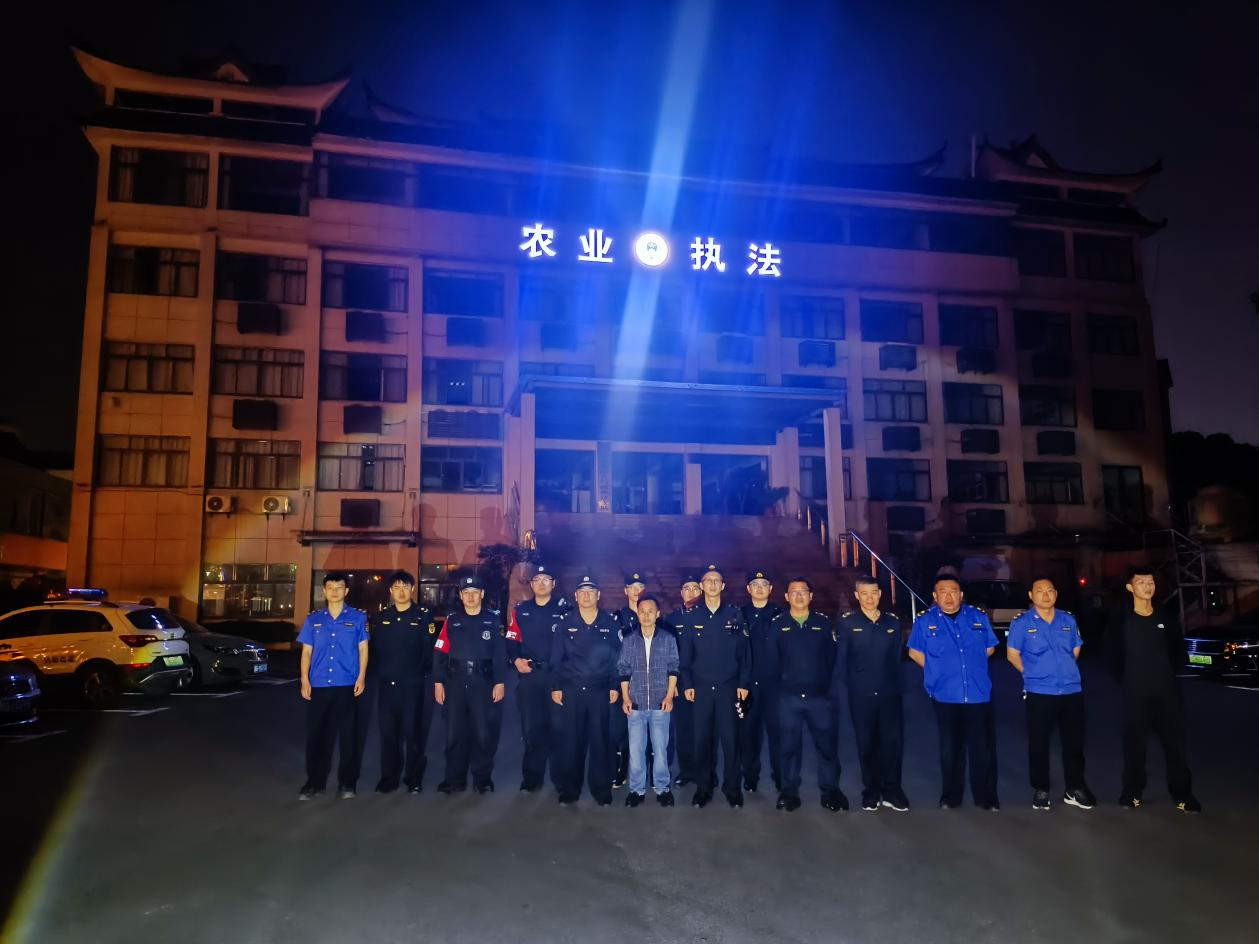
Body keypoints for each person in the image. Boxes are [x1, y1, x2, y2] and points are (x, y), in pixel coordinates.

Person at [1103, 566, 1200, 812]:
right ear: (1130, 587)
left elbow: (1177, 651)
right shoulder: (1121, 619)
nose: (1148, 587)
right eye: (1142, 582)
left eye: (1151, 582)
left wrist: (1167, 674)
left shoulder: (1165, 616)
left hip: (1167, 694)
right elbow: (1110, 654)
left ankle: (1182, 795)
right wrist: (1126, 679)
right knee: (1135, 749)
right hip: (1135, 694)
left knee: (1176, 748)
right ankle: (1132, 794)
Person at [907, 574, 1000, 811]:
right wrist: (937, 671)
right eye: (943, 592)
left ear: (961, 594)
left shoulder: (978, 617)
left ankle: (986, 797)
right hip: (945, 694)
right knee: (950, 748)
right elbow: (915, 653)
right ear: (935, 596)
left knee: (982, 748)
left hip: (978, 693)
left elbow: (989, 648)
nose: (948, 597)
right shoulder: (925, 621)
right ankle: (950, 796)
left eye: (953, 591)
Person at [1007, 576, 1096, 812]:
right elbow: (1012, 654)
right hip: (1039, 692)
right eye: (1040, 591)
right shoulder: (1022, 623)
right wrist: (1033, 674)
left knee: (1074, 744)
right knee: (1039, 743)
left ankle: (1074, 788)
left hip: (1071, 691)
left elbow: (1075, 649)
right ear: (1031, 595)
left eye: (1049, 590)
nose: (1045, 595)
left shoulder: (1068, 620)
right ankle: (1041, 788)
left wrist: (1063, 671)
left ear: (1056, 594)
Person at [678, 564, 750, 808]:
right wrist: (687, 683)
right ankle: (703, 788)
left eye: (716, 580)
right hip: (701, 689)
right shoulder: (692, 616)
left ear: (723, 585)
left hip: (728, 688)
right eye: (707, 580)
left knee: (731, 741)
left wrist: (743, 683)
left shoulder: (735, 614)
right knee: (702, 742)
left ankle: (732, 789)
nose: (712, 584)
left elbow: (745, 654)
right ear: (701, 586)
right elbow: (685, 655)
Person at [836, 575, 909, 812]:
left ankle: (892, 791)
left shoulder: (892, 623)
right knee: (866, 744)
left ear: (880, 594)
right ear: (857, 596)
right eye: (864, 593)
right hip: (861, 695)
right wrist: (851, 689)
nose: (869, 598)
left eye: (874, 593)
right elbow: (842, 662)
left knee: (892, 744)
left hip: (889, 694)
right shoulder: (848, 624)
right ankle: (871, 791)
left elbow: (896, 659)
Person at [773, 578, 846, 812]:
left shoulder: (823, 624)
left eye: (803, 591)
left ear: (811, 596)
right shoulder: (778, 625)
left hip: (819, 698)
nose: (799, 596)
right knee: (788, 748)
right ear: (786, 597)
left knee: (827, 748)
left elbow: (831, 658)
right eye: (793, 592)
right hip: (789, 698)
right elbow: (772, 661)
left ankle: (830, 791)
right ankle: (789, 793)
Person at [432, 574, 507, 795]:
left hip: (483, 683)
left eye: (475, 593)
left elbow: (500, 654)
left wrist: (500, 682)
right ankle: (454, 779)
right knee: (454, 733)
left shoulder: (493, 620)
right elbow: (440, 652)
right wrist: (438, 682)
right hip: (455, 683)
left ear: (482, 594)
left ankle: (482, 779)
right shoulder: (452, 621)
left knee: (483, 733)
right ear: (461, 596)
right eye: (466, 593)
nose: (471, 597)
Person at [550, 574, 621, 806]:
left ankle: (601, 790)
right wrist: (556, 686)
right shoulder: (565, 623)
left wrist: (614, 685)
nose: (587, 595)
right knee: (571, 743)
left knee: (601, 742)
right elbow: (556, 658)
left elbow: (617, 658)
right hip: (572, 691)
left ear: (598, 595)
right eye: (583, 592)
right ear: (576, 596)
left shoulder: (610, 623)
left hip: (600, 691)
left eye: (591, 592)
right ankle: (570, 790)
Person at [297, 572, 369, 800]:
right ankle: (314, 782)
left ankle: (347, 783)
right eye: (330, 587)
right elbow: (306, 651)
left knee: (348, 736)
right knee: (316, 736)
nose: (335, 591)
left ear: (346, 591)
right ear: (324, 591)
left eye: (339, 587)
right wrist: (304, 679)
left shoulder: (358, 618)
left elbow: (363, 649)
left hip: (346, 684)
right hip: (319, 685)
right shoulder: (313, 619)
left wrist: (361, 677)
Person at [369, 571, 439, 795]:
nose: (401, 592)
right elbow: (375, 649)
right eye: (397, 587)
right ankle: (388, 778)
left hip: (412, 685)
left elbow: (428, 649)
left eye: (405, 587)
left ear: (412, 589)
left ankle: (414, 778)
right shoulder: (382, 617)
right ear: (391, 590)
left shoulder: (423, 615)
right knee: (388, 735)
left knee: (413, 734)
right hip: (387, 685)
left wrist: (423, 674)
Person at [506, 563, 567, 792]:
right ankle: (532, 778)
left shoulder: (564, 611)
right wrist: (515, 660)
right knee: (531, 729)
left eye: (546, 580)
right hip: (530, 676)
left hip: (555, 677)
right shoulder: (521, 610)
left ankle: (561, 780)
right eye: (537, 580)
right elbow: (511, 639)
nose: (541, 584)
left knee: (558, 729)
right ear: (531, 585)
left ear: (553, 584)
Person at [617, 594, 680, 807]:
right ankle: (636, 790)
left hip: (661, 703)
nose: (646, 615)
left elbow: (673, 667)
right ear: (637, 614)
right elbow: (623, 669)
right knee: (636, 751)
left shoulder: (668, 638)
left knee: (660, 750)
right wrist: (625, 697)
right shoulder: (629, 640)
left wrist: (669, 696)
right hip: (635, 704)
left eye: (650, 611)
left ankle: (662, 788)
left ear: (657, 614)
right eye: (642, 611)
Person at [740, 569, 783, 794]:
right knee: (749, 734)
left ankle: (780, 776)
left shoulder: (780, 614)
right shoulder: (739, 614)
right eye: (755, 584)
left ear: (771, 588)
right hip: (748, 686)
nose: (759, 588)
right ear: (748, 589)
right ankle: (750, 777)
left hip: (775, 686)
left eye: (764, 584)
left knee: (778, 734)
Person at [667, 571, 704, 788]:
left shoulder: (709, 615)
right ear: (681, 593)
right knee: (684, 729)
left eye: (695, 588)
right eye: (687, 589)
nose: (691, 592)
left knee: (706, 729)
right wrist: (671, 683)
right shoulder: (672, 620)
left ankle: (705, 771)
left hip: (705, 681)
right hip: (681, 684)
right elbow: (667, 654)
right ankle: (687, 770)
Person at [610, 570, 646, 788]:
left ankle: (649, 772)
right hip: (624, 680)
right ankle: (620, 771)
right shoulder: (617, 618)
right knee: (620, 731)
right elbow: (613, 652)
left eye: (640, 587)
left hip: (647, 681)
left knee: (648, 730)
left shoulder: (653, 615)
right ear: (625, 591)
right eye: (632, 587)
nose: (636, 591)